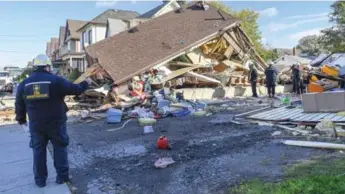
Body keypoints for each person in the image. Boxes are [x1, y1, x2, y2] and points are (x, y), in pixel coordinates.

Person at [15, 54, 91, 188]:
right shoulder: (56, 80)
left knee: (38, 151)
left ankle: (40, 181)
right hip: (56, 122)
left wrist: (21, 121)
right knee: (60, 148)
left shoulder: (24, 84)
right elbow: (76, 90)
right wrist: (87, 83)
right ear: (47, 66)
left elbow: (19, 104)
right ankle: (62, 177)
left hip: (36, 124)